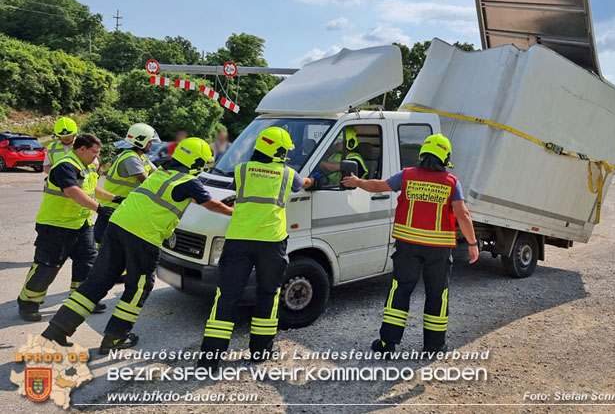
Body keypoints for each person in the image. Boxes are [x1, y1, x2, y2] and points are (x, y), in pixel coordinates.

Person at [41, 138, 234, 353]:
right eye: (204, 163)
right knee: (139, 287)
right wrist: (234, 212)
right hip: (143, 235)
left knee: (97, 280)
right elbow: (210, 204)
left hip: (118, 225)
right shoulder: (188, 181)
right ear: (197, 161)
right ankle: (115, 337)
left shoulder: (162, 172)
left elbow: (185, 198)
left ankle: (56, 331)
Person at [341, 134, 479, 354]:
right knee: (437, 294)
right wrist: (472, 243)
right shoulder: (452, 182)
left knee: (400, 290)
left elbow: (378, 186)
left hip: (407, 246)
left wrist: (357, 182)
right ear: (445, 157)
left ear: (423, 153)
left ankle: (387, 344)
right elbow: (462, 214)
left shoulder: (407, 176)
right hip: (438, 250)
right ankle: (434, 346)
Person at [197, 127, 314, 369]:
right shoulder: (287, 173)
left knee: (226, 296)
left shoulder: (241, 170)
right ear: (279, 151)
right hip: (271, 242)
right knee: (267, 295)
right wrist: (317, 179)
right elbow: (303, 184)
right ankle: (260, 351)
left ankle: (209, 359)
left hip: (238, 240)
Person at [17, 134, 119, 321]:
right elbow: (72, 191)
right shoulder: (66, 165)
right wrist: (99, 208)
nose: (96, 157)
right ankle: (28, 303)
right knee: (48, 265)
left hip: (81, 224)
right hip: (56, 226)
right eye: (94, 153)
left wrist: (114, 199)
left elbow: (92, 189)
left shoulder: (86, 167)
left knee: (87, 261)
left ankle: (80, 299)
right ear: (82, 149)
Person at [94, 123, 158, 245]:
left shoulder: (142, 158)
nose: (152, 144)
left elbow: (157, 174)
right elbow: (146, 182)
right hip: (113, 208)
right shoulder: (130, 158)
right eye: (150, 141)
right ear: (141, 142)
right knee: (102, 246)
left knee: (115, 247)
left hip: (123, 208)